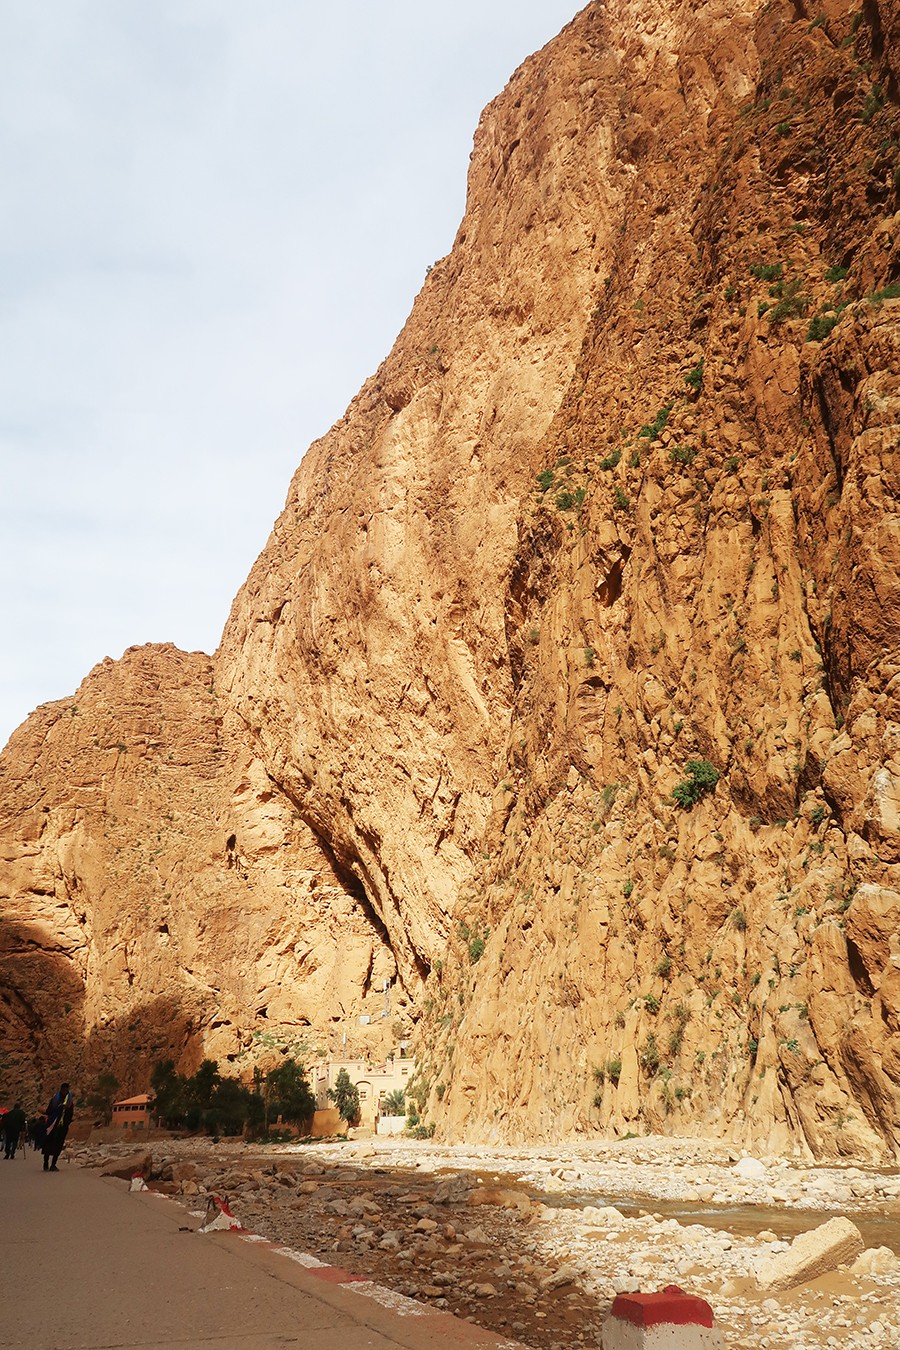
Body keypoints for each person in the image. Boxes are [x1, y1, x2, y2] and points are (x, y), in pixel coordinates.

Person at [42, 1083, 74, 1171]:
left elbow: (70, 1114)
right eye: (64, 1090)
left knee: (58, 1146)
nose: (64, 1091)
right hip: (52, 1127)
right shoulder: (55, 1100)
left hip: (62, 1127)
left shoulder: (69, 1102)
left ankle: (53, 1164)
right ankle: (46, 1162)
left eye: (66, 1090)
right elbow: (49, 1111)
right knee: (49, 1144)